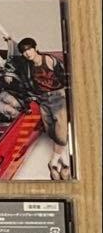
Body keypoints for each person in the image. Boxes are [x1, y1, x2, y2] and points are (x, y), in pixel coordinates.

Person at [10, 37, 71, 180]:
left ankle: (53, 162)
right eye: (24, 51)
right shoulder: (27, 67)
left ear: (35, 48)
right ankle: (63, 160)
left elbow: (66, 77)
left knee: (61, 132)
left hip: (58, 96)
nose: (27, 53)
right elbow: (26, 83)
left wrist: (67, 95)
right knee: (50, 130)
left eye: (29, 49)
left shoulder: (48, 60)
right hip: (43, 99)